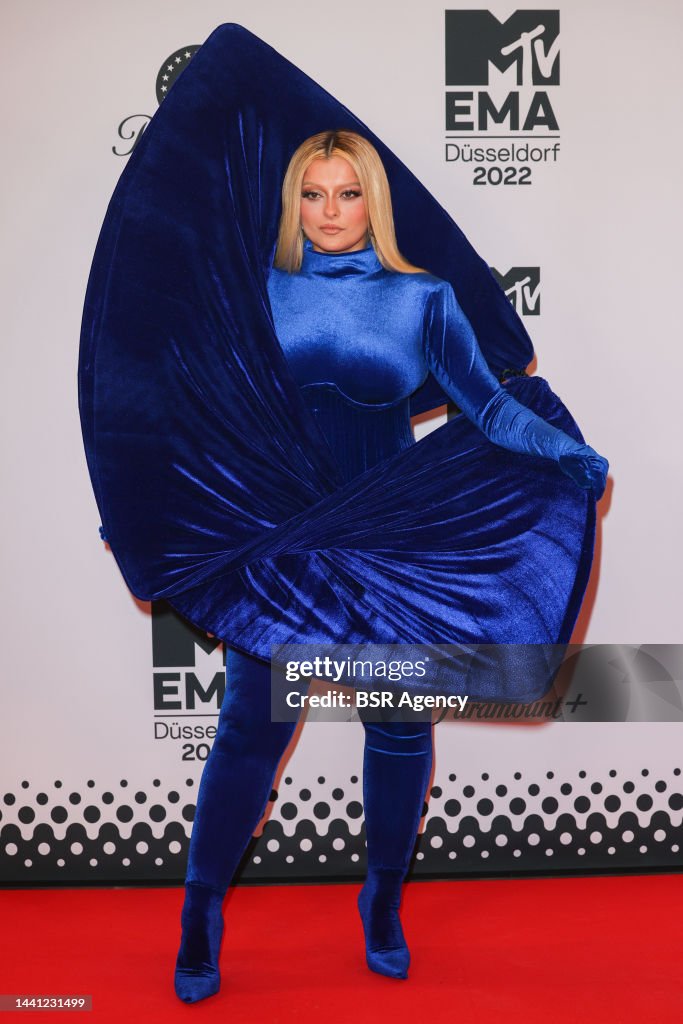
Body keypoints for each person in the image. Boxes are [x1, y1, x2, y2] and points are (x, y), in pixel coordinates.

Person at [171, 128, 608, 1003]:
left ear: (373, 200)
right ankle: (200, 911)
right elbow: (193, 410)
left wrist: (567, 453)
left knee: (400, 727)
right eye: (312, 195)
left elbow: (485, 409)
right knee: (253, 728)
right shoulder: (255, 292)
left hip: (387, 543)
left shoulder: (422, 300)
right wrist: (152, 512)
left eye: (348, 194)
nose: (330, 212)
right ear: (292, 203)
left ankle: (380, 901)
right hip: (282, 541)